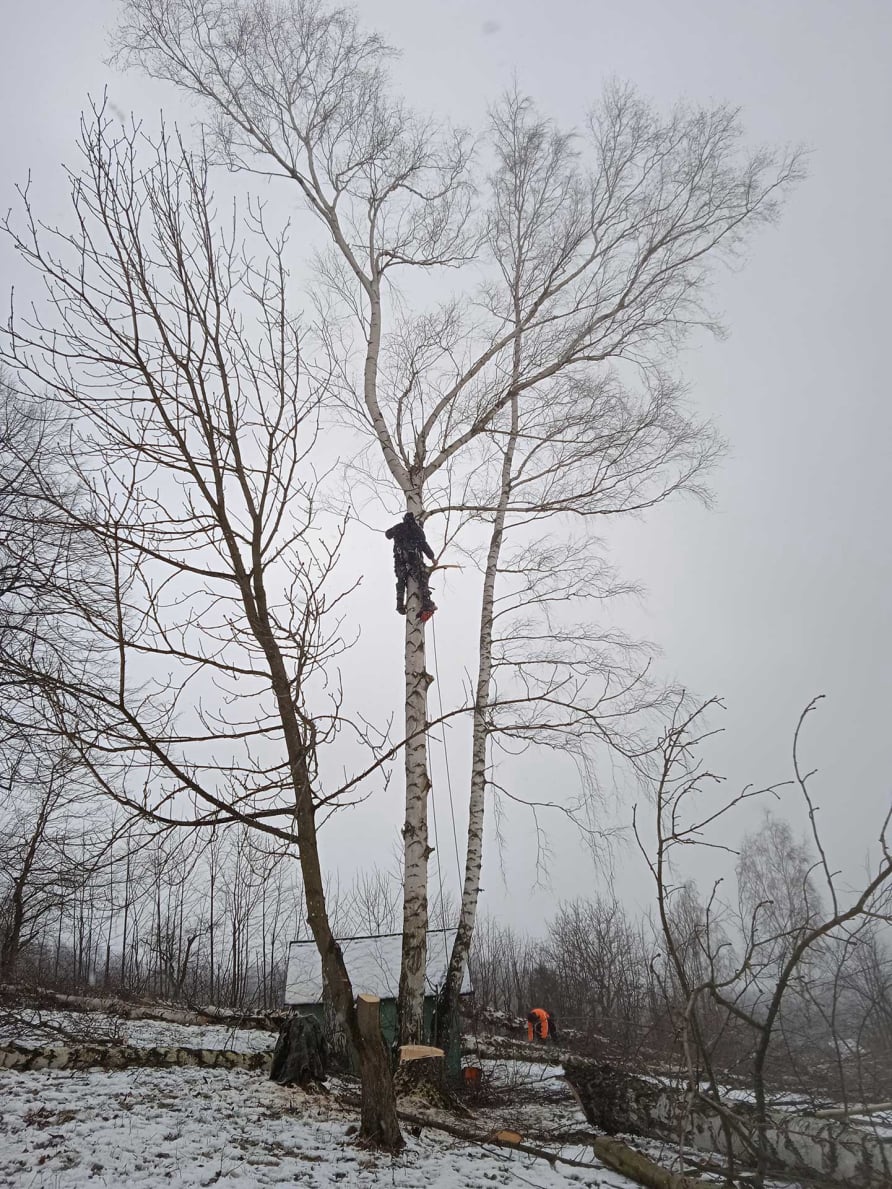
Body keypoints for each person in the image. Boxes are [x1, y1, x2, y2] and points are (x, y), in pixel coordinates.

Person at [385, 512, 437, 620]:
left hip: (400, 559)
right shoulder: (417, 530)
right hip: (413, 556)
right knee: (421, 577)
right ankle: (426, 602)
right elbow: (424, 545)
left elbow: (387, 534)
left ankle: (399, 604)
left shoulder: (399, 527)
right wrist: (432, 558)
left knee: (401, 580)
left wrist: (397, 531)